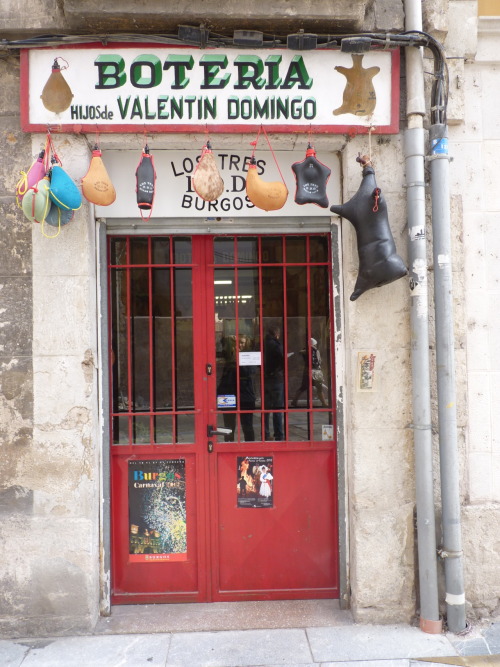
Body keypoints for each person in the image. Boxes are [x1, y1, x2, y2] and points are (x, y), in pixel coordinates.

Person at [217, 335, 256, 441]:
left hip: (245, 396)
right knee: (228, 427)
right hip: (229, 395)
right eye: (237, 342)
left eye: (242, 342)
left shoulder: (249, 357)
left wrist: (238, 358)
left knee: (247, 426)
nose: (240, 345)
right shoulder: (229, 356)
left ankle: (250, 448)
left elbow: (248, 373)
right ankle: (228, 447)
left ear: (247, 344)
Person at [291, 337, 328, 408]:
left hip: (309, 371)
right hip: (315, 372)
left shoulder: (307, 350)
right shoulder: (311, 350)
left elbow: (302, 352)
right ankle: (324, 403)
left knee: (303, 387)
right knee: (319, 388)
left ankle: (294, 401)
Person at [264, 325, 284, 441]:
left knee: (265, 409)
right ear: (276, 334)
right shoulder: (276, 345)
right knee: (277, 408)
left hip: (265, 379)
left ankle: (265, 434)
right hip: (276, 379)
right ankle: (279, 434)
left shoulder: (262, 345)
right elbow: (281, 361)